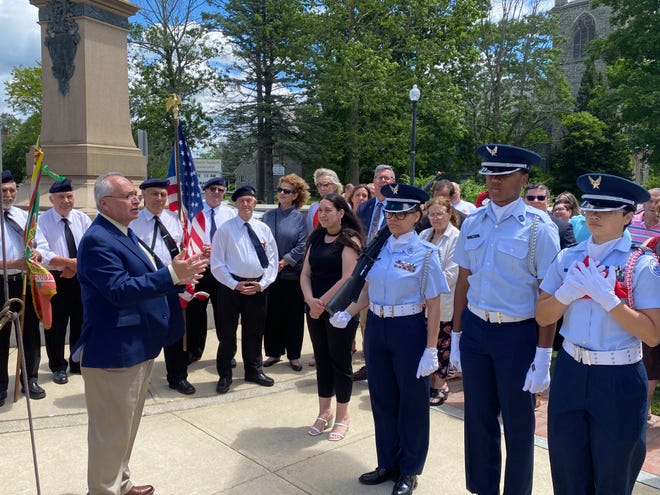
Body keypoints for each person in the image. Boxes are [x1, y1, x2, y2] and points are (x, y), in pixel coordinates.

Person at [72, 172, 207, 495]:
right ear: (105, 204)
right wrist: (173, 275)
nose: (137, 199)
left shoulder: (124, 233)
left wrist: (172, 270)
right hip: (114, 351)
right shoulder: (97, 240)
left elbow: (142, 276)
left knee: (125, 429)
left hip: (138, 346)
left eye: (136, 194)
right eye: (129, 195)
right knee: (110, 432)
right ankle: (103, 490)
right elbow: (118, 290)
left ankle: (121, 483)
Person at [536, 173, 660, 495]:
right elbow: (542, 315)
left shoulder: (641, 264)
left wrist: (610, 301)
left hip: (618, 378)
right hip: (571, 372)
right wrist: (567, 294)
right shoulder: (568, 257)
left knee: (613, 476)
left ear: (628, 215)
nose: (594, 214)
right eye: (591, 207)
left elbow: (653, 334)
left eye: (606, 209)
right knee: (568, 471)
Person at [450, 144, 560, 495]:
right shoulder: (474, 221)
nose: (493, 180)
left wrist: (544, 355)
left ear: (523, 177)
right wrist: (456, 334)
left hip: (519, 334)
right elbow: (464, 280)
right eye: (489, 173)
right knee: (478, 420)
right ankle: (483, 489)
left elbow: (548, 294)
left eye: (503, 173)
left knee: (517, 424)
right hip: (477, 330)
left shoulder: (538, 227)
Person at [331, 183, 449, 495]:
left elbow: (434, 303)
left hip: (409, 328)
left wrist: (430, 349)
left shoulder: (426, 253)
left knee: (411, 402)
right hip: (378, 327)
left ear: (416, 215)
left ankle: (409, 470)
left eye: (402, 213)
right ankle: (387, 462)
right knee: (382, 399)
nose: (394, 218)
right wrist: (349, 311)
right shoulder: (379, 247)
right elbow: (368, 288)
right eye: (390, 212)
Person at [300, 193, 363, 442]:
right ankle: (324, 411)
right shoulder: (316, 237)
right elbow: (305, 273)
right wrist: (309, 300)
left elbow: (348, 277)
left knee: (340, 362)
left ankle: (342, 416)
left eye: (328, 210)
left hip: (340, 311)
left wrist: (322, 303)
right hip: (314, 308)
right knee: (322, 360)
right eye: (321, 210)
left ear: (341, 212)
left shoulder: (349, 240)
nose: (323, 215)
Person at [129, 178, 195, 395]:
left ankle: (178, 377)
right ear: (143, 196)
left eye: (163, 195)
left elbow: (183, 250)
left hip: (171, 283)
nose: (159, 198)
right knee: (143, 334)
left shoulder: (175, 221)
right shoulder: (133, 222)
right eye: (154, 194)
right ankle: (138, 380)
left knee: (175, 332)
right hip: (145, 286)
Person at [211, 185, 278, 394]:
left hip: (257, 287)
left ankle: (253, 371)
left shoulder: (263, 229)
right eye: (241, 201)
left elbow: (273, 260)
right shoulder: (225, 230)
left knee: (254, 332)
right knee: (228, 334)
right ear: (236, 205)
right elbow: (217, 263)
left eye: (249, 201)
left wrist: (263, 283)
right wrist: (234, 284)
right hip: (231, 288)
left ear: (255, 203)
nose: (246, 204)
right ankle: (224, 374)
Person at [35, 178, 91, 385]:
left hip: (80, 277)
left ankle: (76, 362)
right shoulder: (42, 220)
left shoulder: (82, 218)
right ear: (51, 199)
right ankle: (58, 366)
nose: (66, 201)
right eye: (61, 197)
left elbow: (91, 245)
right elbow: (43, 251)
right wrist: (68, 264)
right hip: (55, 279)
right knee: (56, 325)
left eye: (69, 196)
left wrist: (75, 269)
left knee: (80, 321)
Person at [0, 170, 45, 405]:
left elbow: (42, 243)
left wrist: (38, 252)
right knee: (1, 334)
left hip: (24, 283)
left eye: (12, 190)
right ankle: (0, 385)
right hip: (1, 283)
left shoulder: (25, 216)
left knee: (29, 333)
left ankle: (30, 379)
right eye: (4, 190)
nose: (9, 194)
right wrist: (10, 264)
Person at [262, 174, 309, 372]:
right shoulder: (268, 216)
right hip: (270, 275)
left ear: (295, 195)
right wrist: (272, 263)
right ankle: (273, 352)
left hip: (291, 276)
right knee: (271, 315)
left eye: (286, 191)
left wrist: (285, 261)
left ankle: (294, 356)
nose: (281, 193)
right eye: (280, 190)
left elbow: (302, 244)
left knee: (293, 317)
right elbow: (261, 240)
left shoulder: (299, 219)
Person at [185, 177, 235, 364]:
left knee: (224, 314)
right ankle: (194, 350)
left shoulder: (230, 215)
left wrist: (217, 249)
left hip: (222, 270)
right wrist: (199, 250)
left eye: (220, 190)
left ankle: (226, 353)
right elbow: (185, 239)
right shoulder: (194, 214)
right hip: (200, 268)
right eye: (212, 189)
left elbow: (236, 242)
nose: (216, 192)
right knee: (195, 312)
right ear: (204, 191)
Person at [354, 164, 396, 381]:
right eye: (380, 178)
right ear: (374, 181)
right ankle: (369, 363)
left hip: (390, 273)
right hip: (365, 272)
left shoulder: (400, 207)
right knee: (365, 321)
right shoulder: (364, 207)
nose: (384, 181)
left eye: (388, 178)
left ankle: (385, 366)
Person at [419, 196, 459, 406]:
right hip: (421, 303)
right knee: (425, 343)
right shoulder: (424, 234)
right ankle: (427, 381)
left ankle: (440, 384)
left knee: (441, 346)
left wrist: (426, 290)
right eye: (431, 214)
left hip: (444, 302)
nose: (435, 218)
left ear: (449, 214)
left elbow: (451, 274)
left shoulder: (456, 238)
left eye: (439, 213)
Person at [523, 183, 576, 249]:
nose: (536, 201)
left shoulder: (563, 227)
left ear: (548, 202)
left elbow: (570, 256)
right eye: (531, 198)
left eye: (541, 198)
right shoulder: (513, 223)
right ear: (523, 201)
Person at [306, 168, 343, 234]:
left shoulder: (344, 205)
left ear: (335, 186)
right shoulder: (313, 207)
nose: (322, 188)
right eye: (318, 185)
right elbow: (310, 232)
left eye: (325, 184)